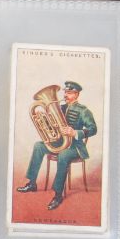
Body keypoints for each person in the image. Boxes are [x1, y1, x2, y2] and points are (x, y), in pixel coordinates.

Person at [16, 81, 97, 210]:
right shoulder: (60, 107)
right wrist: (44, 121)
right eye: (65, 92)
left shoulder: (83, 110)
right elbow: (53, 126)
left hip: (75, 147)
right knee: (38, 146)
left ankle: (58, 195)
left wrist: (75, 132)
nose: (65, 95)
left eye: (69, 93)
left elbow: (93, 129)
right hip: (60, 142)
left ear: (76, 94)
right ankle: (32, 183)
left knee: (63, 155)